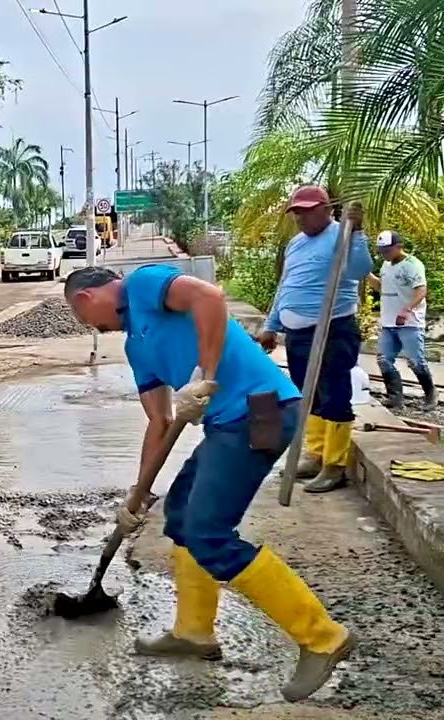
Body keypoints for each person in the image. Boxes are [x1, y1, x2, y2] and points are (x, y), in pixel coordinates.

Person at [63, 263, 354, 703]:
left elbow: (209, 298)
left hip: (262, 410)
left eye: (84, 319)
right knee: (180, 518)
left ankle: (322, 638)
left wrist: (206, 374)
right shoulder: (135, 346)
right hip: (227, 423)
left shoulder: (142, 285)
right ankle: (194, 632)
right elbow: (159, 421)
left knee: (209, 533)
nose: (93, 327)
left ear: (86, 299)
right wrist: (137, 494)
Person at [257, 186, 372, 494]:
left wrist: (357, 232)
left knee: (333, 393)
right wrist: (271, 325)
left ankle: (334, 465)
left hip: (333, 328)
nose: (300, 218)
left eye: (307, 211)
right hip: (298, 334)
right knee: (308, 395)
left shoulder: (342, 233)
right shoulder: (295, 244)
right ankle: (316, 452)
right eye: (296, 212)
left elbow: (361, 270)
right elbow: (285, 287)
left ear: (326, 209)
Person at [367, 230, 434, 410]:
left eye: (387, 250)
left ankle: (430, 395)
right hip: (389, 322)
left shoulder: (412, 265)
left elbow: (421, 290)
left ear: (399, 246)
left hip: (409, 323)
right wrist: (367, 275)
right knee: (383, 359)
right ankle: (395, 399)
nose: (384, 254)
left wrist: (407, 309)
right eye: (382, 250)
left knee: (415, 361)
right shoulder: (386, 265)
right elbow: (382, 287)